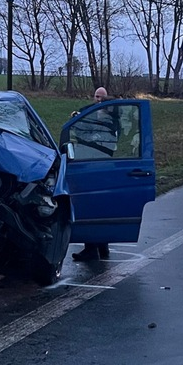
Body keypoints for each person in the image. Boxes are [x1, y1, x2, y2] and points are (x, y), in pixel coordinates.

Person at [71, 87, 111, 262]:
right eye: (96, 97)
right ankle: (100, 246)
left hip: (98, 164)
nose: (98, 100)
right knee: (97, 206)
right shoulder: (86, 111)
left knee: (93, 206)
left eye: (102, 98)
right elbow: (78, 130)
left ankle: (95, 248)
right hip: (88, 161)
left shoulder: (111, 116)